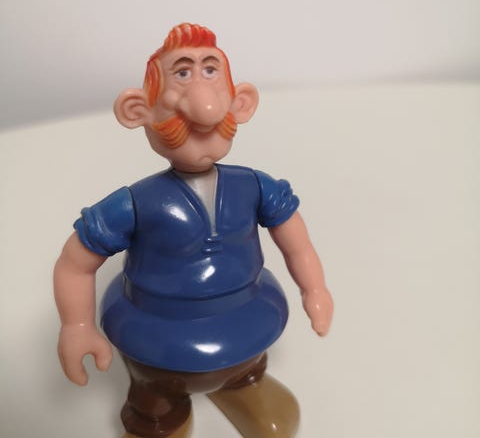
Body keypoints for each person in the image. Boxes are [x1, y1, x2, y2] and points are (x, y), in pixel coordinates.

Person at [54, 23, 333, 438]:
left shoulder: (255, 187)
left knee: (249, 368)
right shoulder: (135, 204)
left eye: (210, 70)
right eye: (182, 73)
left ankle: (243, 384)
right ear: (137, 110)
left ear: (241, 102)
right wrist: (76, 326)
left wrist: (315, 288)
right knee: (155, 397)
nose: (201, 100)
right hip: (157, 339)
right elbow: (75, 263)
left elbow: (297, 242)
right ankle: (158, 415)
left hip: (248, 319)